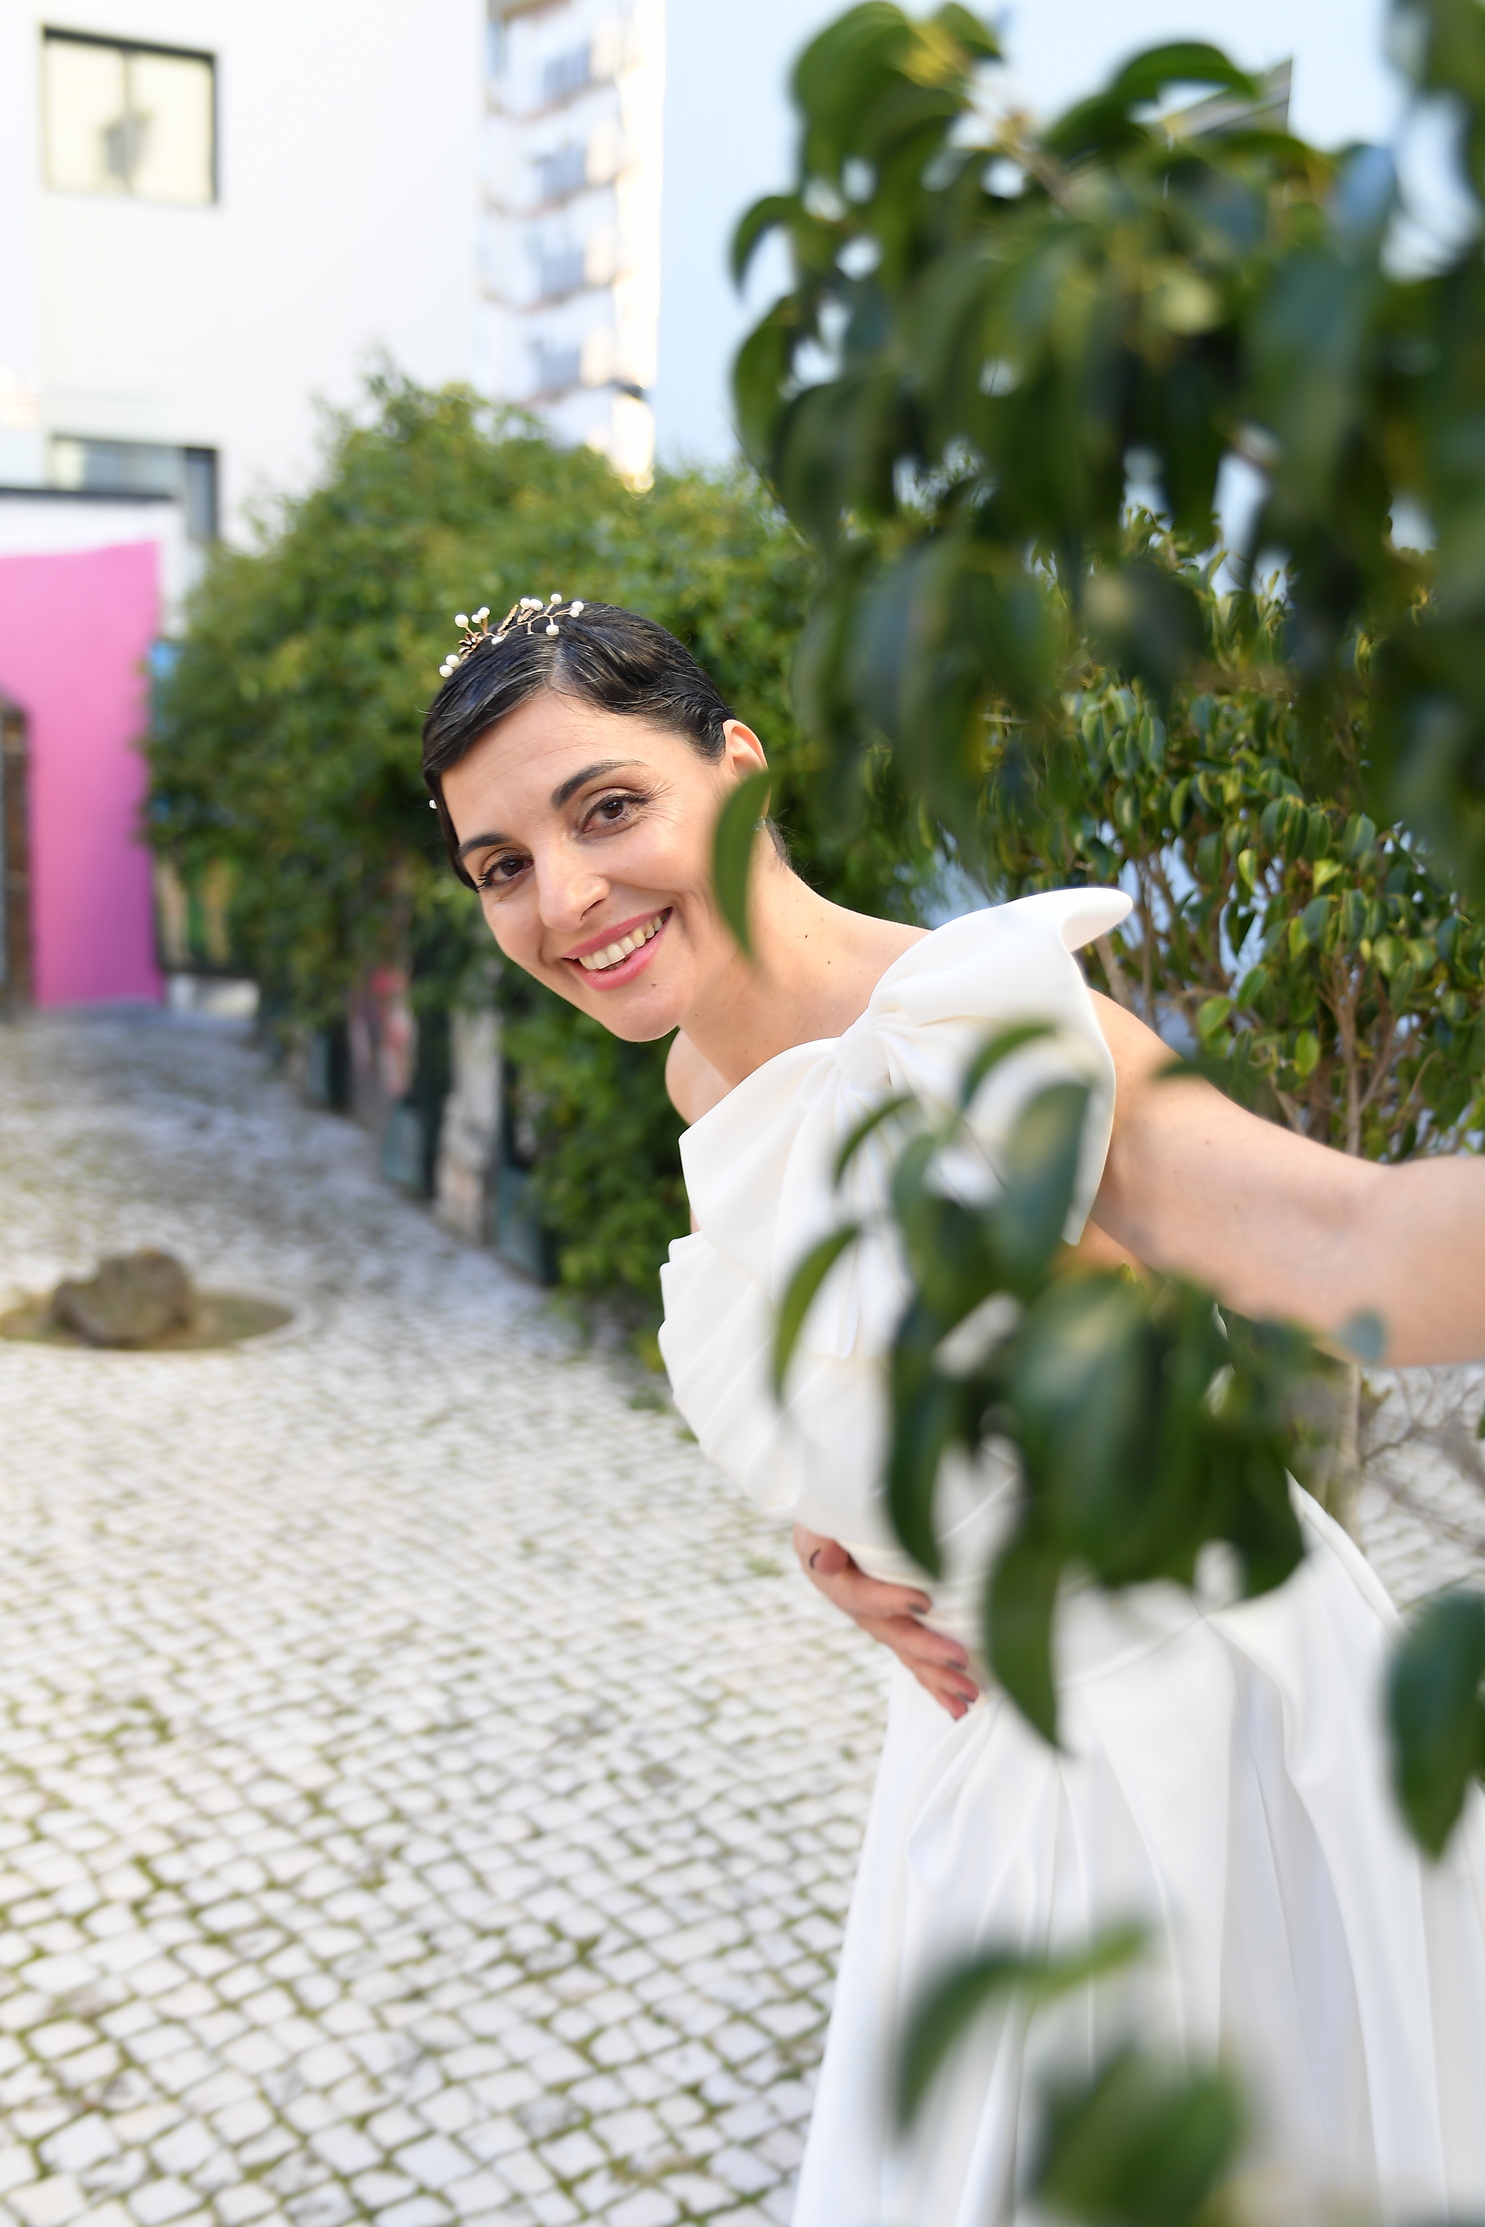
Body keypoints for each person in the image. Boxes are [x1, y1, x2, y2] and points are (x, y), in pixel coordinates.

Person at [424, 596, 1485, 2227]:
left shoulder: (977, 1028)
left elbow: (1345, 1246)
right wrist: (845, 1527)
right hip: (980, 1746)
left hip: (1190, 1747)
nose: (563, 899)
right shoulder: (700, 1068)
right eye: (501, 865)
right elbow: (868, 1347)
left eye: (608, 808)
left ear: (739, 773)